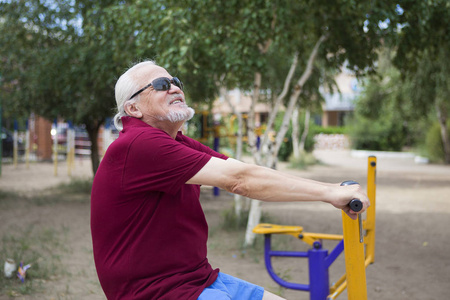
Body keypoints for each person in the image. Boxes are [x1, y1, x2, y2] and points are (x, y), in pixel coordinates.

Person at [90, 60, 369, 300]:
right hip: (155, 292)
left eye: (176, 81)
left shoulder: (177, 142)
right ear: (133, 109)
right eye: (161, 84)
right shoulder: (137, 144)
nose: (175, 88)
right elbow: (239, 180)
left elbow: (243, 171)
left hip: (197, 279)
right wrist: (329, 194)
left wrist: (331, 189)